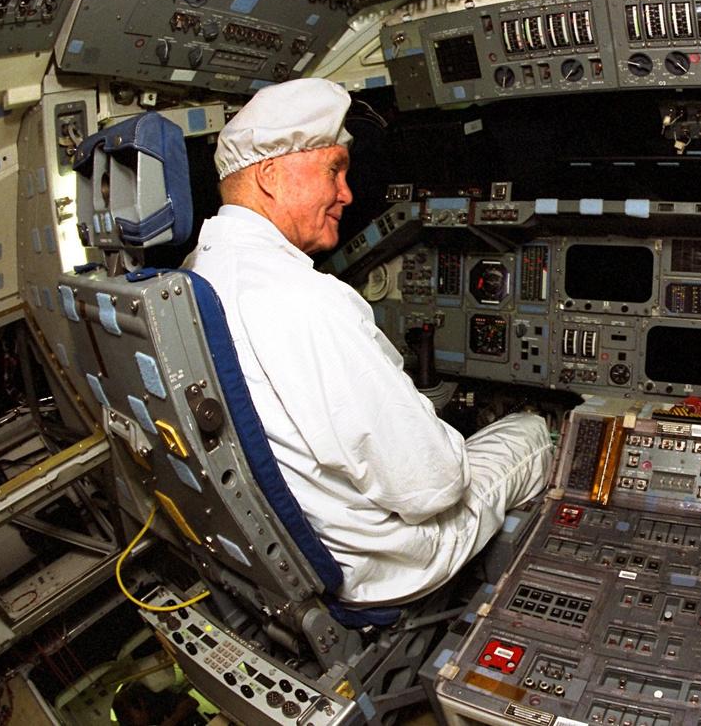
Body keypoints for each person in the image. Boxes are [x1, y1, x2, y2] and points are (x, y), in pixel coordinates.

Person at [185, 78, 554, 606]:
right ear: (270, 175)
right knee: (531, 433)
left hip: (286, 552)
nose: (347, 194)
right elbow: (434, 485)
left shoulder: (197, 274)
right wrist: (443, 432)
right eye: (334, 169)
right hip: (384, 560)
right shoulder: (307, 301)